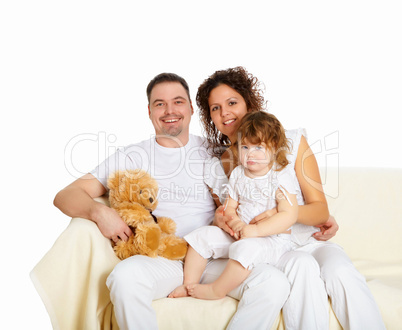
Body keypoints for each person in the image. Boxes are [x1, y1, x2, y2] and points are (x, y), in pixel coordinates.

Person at [53, 72, 291, 329]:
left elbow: (263, 179)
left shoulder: (216, 152)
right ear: (149, 111)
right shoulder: (133, 155)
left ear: (190, 107)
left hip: (214, 256)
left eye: (178, 101)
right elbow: (65, 195)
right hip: (161, 258)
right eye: (159, 103)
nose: (169, 110)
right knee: (124, 278)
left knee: (273, 283)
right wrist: (99, 213)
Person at [196, 66, 385, 329]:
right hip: (270, 249)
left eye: (231, 102)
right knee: (302, 267)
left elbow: (320, 211)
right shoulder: (221, 165)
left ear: (249, 103)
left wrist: (280, 213)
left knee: (341, 272)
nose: (224, 112)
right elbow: (231, 219)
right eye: (215, 108)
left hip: (310, 240)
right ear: (210, 117)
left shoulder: (293, 142)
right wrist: (222, 219)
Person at [169, 111, 300, 300]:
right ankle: (188, 285)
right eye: (245, 147)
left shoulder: (279, 175)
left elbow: (289, 215)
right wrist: (236, 223)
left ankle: (216, 290)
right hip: (240, 233)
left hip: (272, 241)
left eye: (258, 148)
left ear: (274, 148)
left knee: (245, 249)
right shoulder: (239, 173)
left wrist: (255, 231)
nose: (250, 154)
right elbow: (230, 207)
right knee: (201, 236)